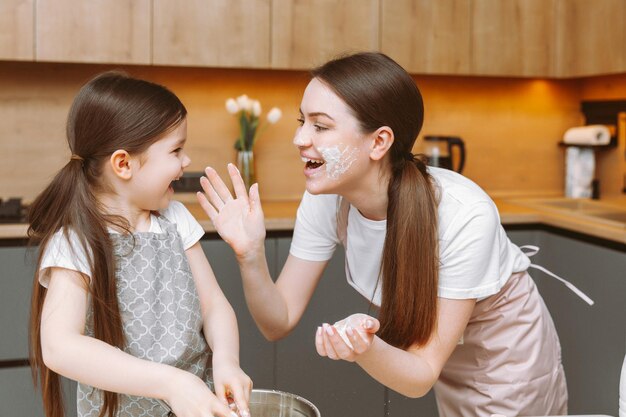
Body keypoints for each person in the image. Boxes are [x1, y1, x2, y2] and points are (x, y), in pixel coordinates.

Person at [196, 52, 568, 417]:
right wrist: (250, 255)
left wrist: (363, 348)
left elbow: (420, 376)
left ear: (379, 142)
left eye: (320, 126)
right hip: (435, 355)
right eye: (301, 121)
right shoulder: (327, 198)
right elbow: (277, 321)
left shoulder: (464, 214)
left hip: (504, 359)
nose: (299, 138)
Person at [28, 72, 251, 417]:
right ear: (123, 164)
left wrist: (226, 361)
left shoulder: (174, 220)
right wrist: (172, 383)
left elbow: (214, 306)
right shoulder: (77, 241)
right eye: (176, 150)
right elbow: (59, 347)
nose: (185, 161)